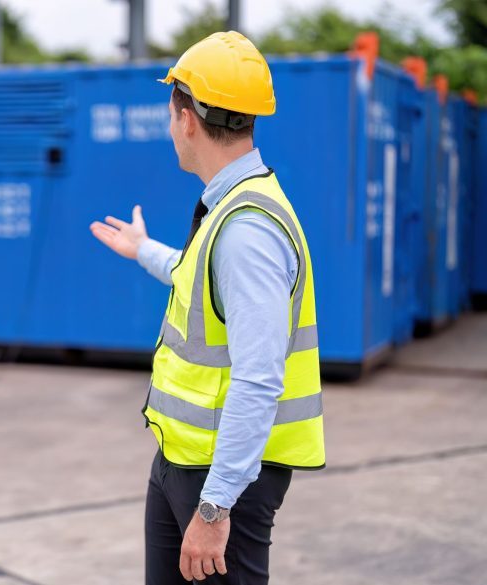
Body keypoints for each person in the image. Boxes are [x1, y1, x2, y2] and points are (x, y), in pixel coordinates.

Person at [90, 31, 325, 584]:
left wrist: (216, 507)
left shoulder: (247, 231)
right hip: (183, 460)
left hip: (223, 483)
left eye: (171, 112)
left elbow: (258, 379)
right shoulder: (231, 210)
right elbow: (200, 283)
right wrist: (143, 250)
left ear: (186, 117)